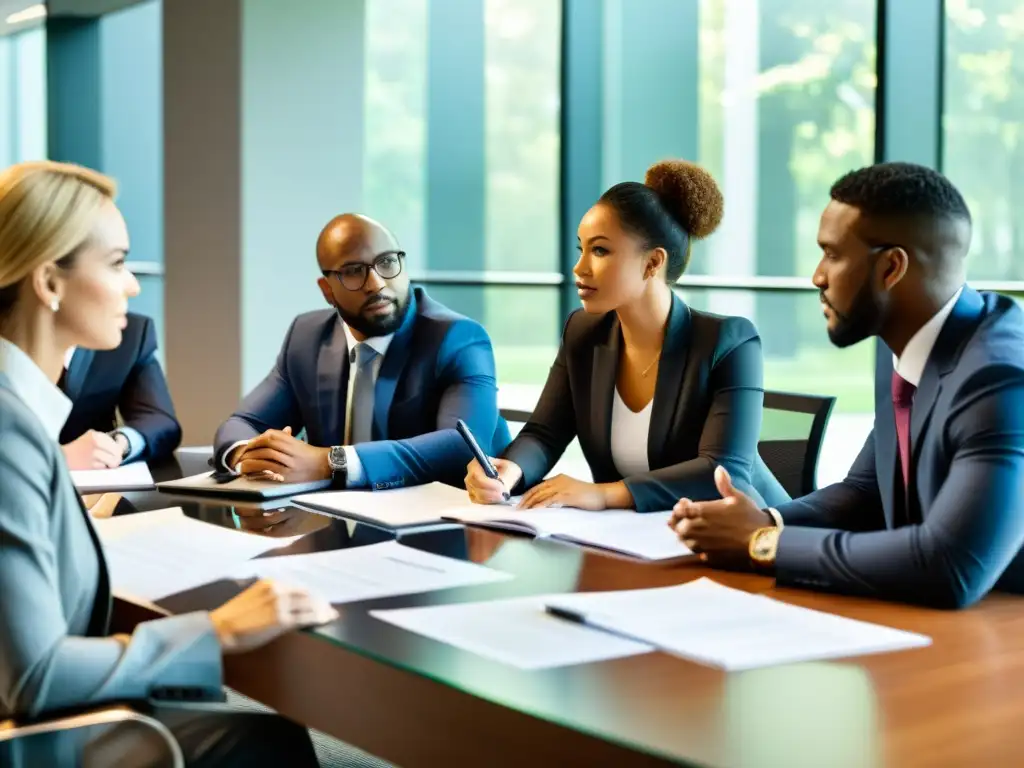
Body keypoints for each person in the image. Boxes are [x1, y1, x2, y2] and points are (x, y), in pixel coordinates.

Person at [0, 160, 337, 767]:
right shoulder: (9, 431)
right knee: (271, 745)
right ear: (49, 282)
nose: (132, 285)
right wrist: (220, 630)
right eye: (117, 262)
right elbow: (36, 678)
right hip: (29, 739)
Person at [671, 161, 1024, 609]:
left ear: (892, 268)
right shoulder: (901, 340)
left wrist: (761, 543)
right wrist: (762, 520)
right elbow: (865, 492)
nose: (817, 276)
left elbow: (949, 565)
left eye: (833, 255)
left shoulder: (1001, 379)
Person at [465, 159, 790, 513]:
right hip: (637, 538)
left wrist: (605, 494)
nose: (580, 267)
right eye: (582, 249)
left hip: (751, 540)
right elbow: (544, 433)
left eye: (600, 250)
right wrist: (509, 471)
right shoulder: (583, 332)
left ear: (652, 263)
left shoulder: (729, 342)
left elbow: (725, 471)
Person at [213, 213, 509, 491]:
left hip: (444, 526)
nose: (376, 283)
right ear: (327, 290)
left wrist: (329, 462)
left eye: (387, 262)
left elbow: (463, 447)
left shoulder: (459, 338)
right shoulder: (306, 336)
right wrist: (247, 456)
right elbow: (243, 423)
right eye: (354, 272)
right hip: (335, 524)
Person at [59, 311, 182, 470]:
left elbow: (161, 422)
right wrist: (60, 458)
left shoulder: (131, 332)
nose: (134, 288)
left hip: (96, 487)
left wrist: (120, 444)